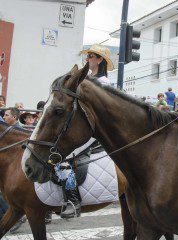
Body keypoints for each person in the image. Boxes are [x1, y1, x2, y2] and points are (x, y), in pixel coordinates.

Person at [53, 44, 115, 219]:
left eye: (90, 56)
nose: (87, 59)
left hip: (95, 130)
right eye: (87, 56)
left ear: (100, 59)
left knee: (63, 158)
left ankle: (73, 200)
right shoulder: (86, 79)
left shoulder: (104, 83)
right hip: (83, 127)